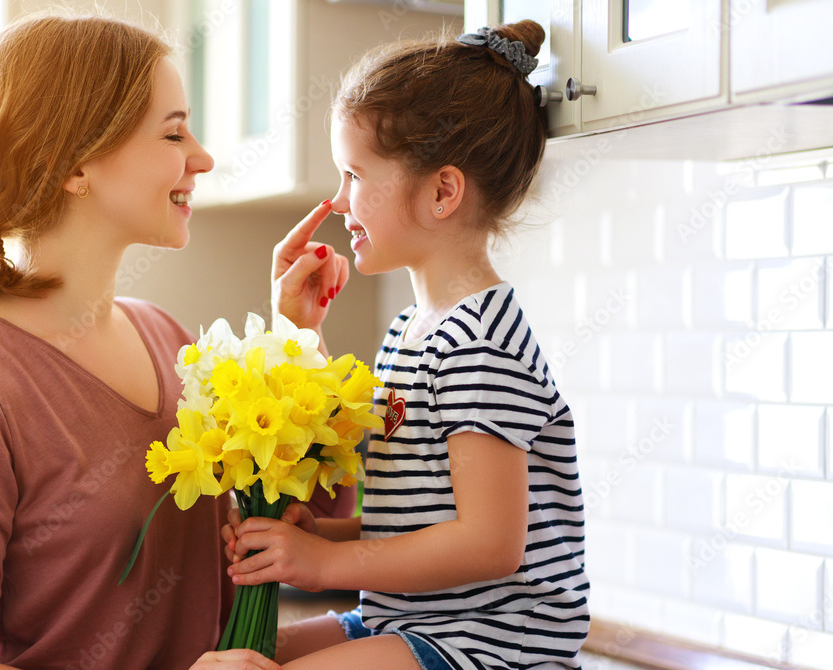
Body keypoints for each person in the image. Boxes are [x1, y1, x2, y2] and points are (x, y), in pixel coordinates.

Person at [0, 13, 350, 670]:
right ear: (74, 164)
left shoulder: (166, 338)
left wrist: (298, 341)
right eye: (172, 132)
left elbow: (302, 526)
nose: (203, 156)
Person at [227, 21, 590, 670]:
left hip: (489, 647)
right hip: (412, 619)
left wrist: (329, 561)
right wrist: (329, 533)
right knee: (240, 654)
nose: (339, 202)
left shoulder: (481, 344)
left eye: (354, 176)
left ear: (443, 191)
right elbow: (421, 519)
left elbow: (489, 545)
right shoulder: (413, 331)